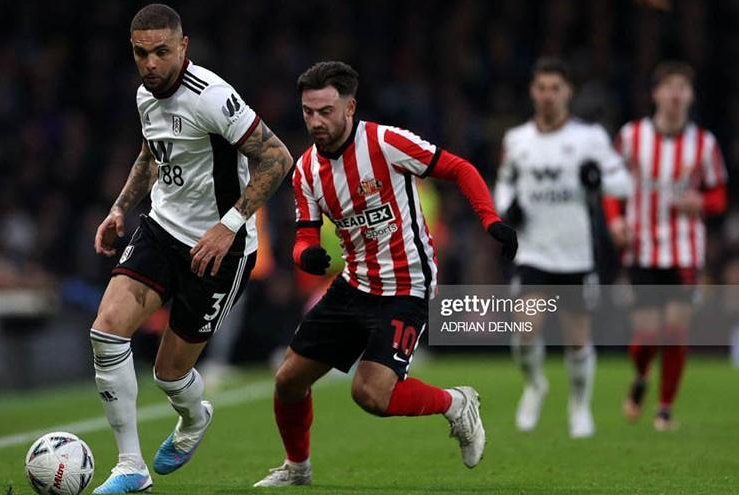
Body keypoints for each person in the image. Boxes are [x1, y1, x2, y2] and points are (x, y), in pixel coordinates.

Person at [253, 61, 518, 487]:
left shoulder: (384, 142)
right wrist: (307, 256)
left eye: (325, 111)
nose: (316, 122)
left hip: (407, 285)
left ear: (350, 107)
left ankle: (456, 403)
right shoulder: (305, 170)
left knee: (370, 395)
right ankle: (297, 468)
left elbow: (460, 169)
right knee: (288, 381)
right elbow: (303, 237)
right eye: (308, 112)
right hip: (354, 283)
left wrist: (490, 221)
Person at [90, 4, 293, 493]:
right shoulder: (146, 95)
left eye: (162, 51)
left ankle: (195, 416)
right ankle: (131, 468)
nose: (151, 64)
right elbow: (150, 153)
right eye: (142, 53)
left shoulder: (213, 97)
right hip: (162, 229)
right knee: (106, 333)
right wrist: (120, 207)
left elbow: (277, 157)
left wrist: (228, 225)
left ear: (184, 47)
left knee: (169, 374)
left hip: (219, 250)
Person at [494, 57, 632, 438]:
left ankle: (579, 406)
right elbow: (503, 184)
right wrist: (508, 207)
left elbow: (623, 185)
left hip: (575, 253)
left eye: (556, 88)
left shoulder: (590, 138)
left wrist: (597, 181)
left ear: (568, 92)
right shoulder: (517, 140)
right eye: (542, 88)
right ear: (532, 92)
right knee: (525, 328)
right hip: (533, 250)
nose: (549, 96)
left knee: (576, 339)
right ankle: (535, 385)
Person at [604, 61, 727, 431]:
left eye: (682, 88)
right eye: (668, 86)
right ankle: (641, 378)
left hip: (685, 249)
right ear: (656, 93)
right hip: (642, 247)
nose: (675, 94)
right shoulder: (632, 136)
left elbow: (719, 193)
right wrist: (615, 219)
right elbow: (611, 186)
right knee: (645, 337)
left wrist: (701, 204)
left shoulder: (704, 144)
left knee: (675, 330)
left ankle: (665, 409)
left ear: (690, 96)